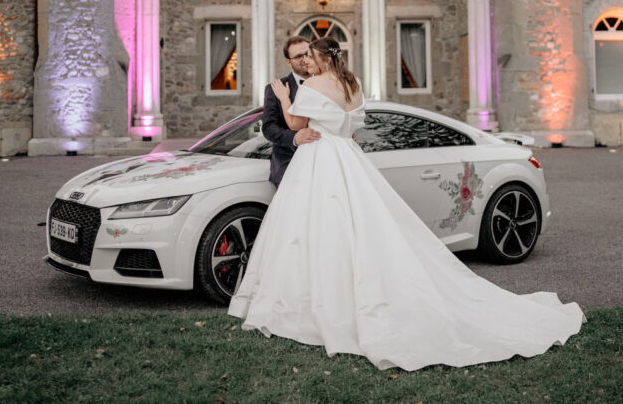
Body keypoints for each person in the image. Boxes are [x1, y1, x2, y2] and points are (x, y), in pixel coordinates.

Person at [229, 37, 584, 371]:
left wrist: (284, 97)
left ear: (321, 59)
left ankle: (315, 303)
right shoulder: (353, 85)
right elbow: (351, 124)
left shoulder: (311, 86)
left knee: (316, 230)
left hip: (321, 159)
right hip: (348, 158)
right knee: (356, 227)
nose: (307, 61)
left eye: (312, 56)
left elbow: (294, 123)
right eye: (300, 57)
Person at [261, 35, 320, 187]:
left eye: (307, 53)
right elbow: (268, 128)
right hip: (288, 165)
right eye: (299, 56)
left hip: (323, 163)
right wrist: (295, 138)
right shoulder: (275, 88)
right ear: (288, 61)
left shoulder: (326, 83)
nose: (305, 59)